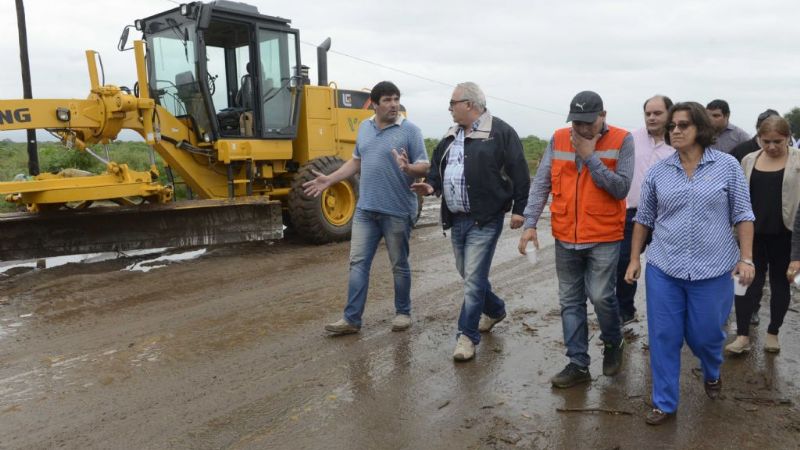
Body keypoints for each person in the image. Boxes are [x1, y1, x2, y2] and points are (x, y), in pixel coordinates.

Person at [624, 101, 755, 425]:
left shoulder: (726, 167)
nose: (676, 131)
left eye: (683, 125)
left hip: (713, 269)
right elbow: (644, 218)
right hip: (665, 267)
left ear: (701, 128)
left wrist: (747, 258)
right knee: (664, 336)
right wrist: (634, 258)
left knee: (707, 335)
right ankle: (664, 403)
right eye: (672, 126)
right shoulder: (658, 171)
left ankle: (711, 370)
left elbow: (743, 214)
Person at [519, 91, 632, 387]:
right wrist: (530, 223)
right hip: (565, 234)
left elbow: (620, 188)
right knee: (569, 301)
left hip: (604, 236)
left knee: (601, 296)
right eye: (576, 122)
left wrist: (590, 158)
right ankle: (578, 364)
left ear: (603, 116)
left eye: (588, 123)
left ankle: (612, 342)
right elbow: (542, 181)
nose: (581, 129)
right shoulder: (558, 138)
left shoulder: (622, 140)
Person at [410, 82, 529, 361]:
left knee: (473, 280)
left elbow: (520, 171)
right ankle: (496, 309)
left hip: (485, 219)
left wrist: (520, 209)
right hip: (457, 219)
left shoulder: (499, 132)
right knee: (468, 274)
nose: (450, 108)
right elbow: (439, 168)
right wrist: (431, 187)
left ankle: (466, 336)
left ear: (470, 104)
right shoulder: (452, 135)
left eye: (453, 103)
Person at [308, 81, 430, 335]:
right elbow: (356, 162)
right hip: (366, 210)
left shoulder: (410, 131)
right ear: (374, 104)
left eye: (396, 99)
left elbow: (424, 165)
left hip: (397, 209)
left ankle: (403, 313)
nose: (393, 104)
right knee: (358, 263)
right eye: (387, 100)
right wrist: (330, 179)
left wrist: (409, 169)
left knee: (398, 263)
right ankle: (351, 319)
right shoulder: (364, 128)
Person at [725, 116, 800, 354]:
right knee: (744, 284)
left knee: (780, 283)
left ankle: (773, 332)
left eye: (778, 141)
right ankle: (743, 335)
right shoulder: (748, 160)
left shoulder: (797, 161)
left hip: (784, 234)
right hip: (751, 236)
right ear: (758, 138)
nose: (771, 147)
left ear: (788, 138)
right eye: (766, 141)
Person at [614, 95, 675, 325]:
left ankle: (664, 316)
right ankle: (625, 310)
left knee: (663, 266)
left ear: (669, 113)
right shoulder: (631, 139)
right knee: (623, 261)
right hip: (633, 213)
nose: (651, 117)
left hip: (666, 216)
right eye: (648, 113)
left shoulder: (677, 143)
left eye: (657, 113)